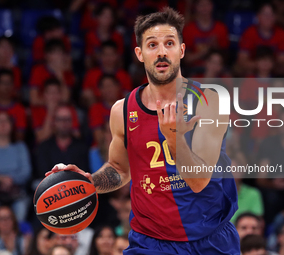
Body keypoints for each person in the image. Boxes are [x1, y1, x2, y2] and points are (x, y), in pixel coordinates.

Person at [46, 7, 240, 254]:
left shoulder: (209, 101)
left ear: (181, 50)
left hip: (210, 238)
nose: (161, 52)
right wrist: (89, 182)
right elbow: (119, 169)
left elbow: (199, 181)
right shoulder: (122, 110)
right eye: (152, 45)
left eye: (169, 43)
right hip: (151, 241)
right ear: (139, 54)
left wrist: (174, 137)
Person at [0, 112, 31, 222]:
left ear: (11, 125)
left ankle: (21, 238)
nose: (3, 124)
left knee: (20, 212)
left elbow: (26, 172)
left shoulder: (20, 147)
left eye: (6, 121)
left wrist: (11, 180)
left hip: (17, 192)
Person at [35, 104, 89, 178]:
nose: (64, 123)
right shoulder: (44, 147)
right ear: (54, 122)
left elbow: (84, 172)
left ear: (71, 122)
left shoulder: (82, 147)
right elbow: (43, 174)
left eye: (67, 119)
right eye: (60, 119)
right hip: (51, 186)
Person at [236, 3, 284, 76]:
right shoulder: (249, 33)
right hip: (253, 67)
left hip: (274, 67)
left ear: (275, 17)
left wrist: (268, 65)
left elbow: (283, 60)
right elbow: (242, 60)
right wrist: (260, 65)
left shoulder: (281, 33)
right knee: (238, 69)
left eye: (271, 15)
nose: (268, 18)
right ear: (258, 16)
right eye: (265, 14)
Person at [183, 0, 229, 70]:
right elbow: (186, 59)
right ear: (196, 7)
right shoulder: (189, 29)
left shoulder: (221, 28)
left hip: (217, 70)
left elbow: (226, 58)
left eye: (207, 5)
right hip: (195, 70)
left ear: (212, 6)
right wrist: (205, 50)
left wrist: (216, 47)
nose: (204, 8)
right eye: (201, 5)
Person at [31, 78, 80, 144]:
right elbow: (41, 139)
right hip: (46, 148)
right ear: (45, 95)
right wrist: (50, 112)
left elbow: (77, 136)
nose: (53, 96)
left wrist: (54, 130)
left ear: (60, 95)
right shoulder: (37, 111)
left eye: (56, 92)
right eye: (50, 93)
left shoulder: (69, 110)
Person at [29, 39, 75, 106]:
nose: (59, 56)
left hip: (60, 109)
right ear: (46, 55)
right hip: (42, 107)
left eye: (61, 52)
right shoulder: (38, 70)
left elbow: (65, 99)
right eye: (55, 52)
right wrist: (51, 103)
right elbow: (34, 100)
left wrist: (60, 73)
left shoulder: (68, 73)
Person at [0, 69, 27, 141]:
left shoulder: (20, 109)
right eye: (3, 83)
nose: (6, 86)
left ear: (13, 85)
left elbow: (20, 137)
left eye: (9, 83)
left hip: (11, 147)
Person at [0, 36, 21, 101]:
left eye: (8, 47)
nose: (5, 50)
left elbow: (17, 94)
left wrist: (9, 71)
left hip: (10, 107)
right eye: (2, 47)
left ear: (12, 52)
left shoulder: (16, 70)